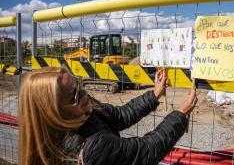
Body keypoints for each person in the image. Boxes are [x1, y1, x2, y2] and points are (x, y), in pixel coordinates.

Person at [19, 66, 197, 165]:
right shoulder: (92, 148)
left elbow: (120, 115)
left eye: (79, 85)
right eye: (74, 95)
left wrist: (154, 94)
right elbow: (147, 150)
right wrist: (180, 114)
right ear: (54, 113)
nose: (84, 93)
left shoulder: (84, 110)